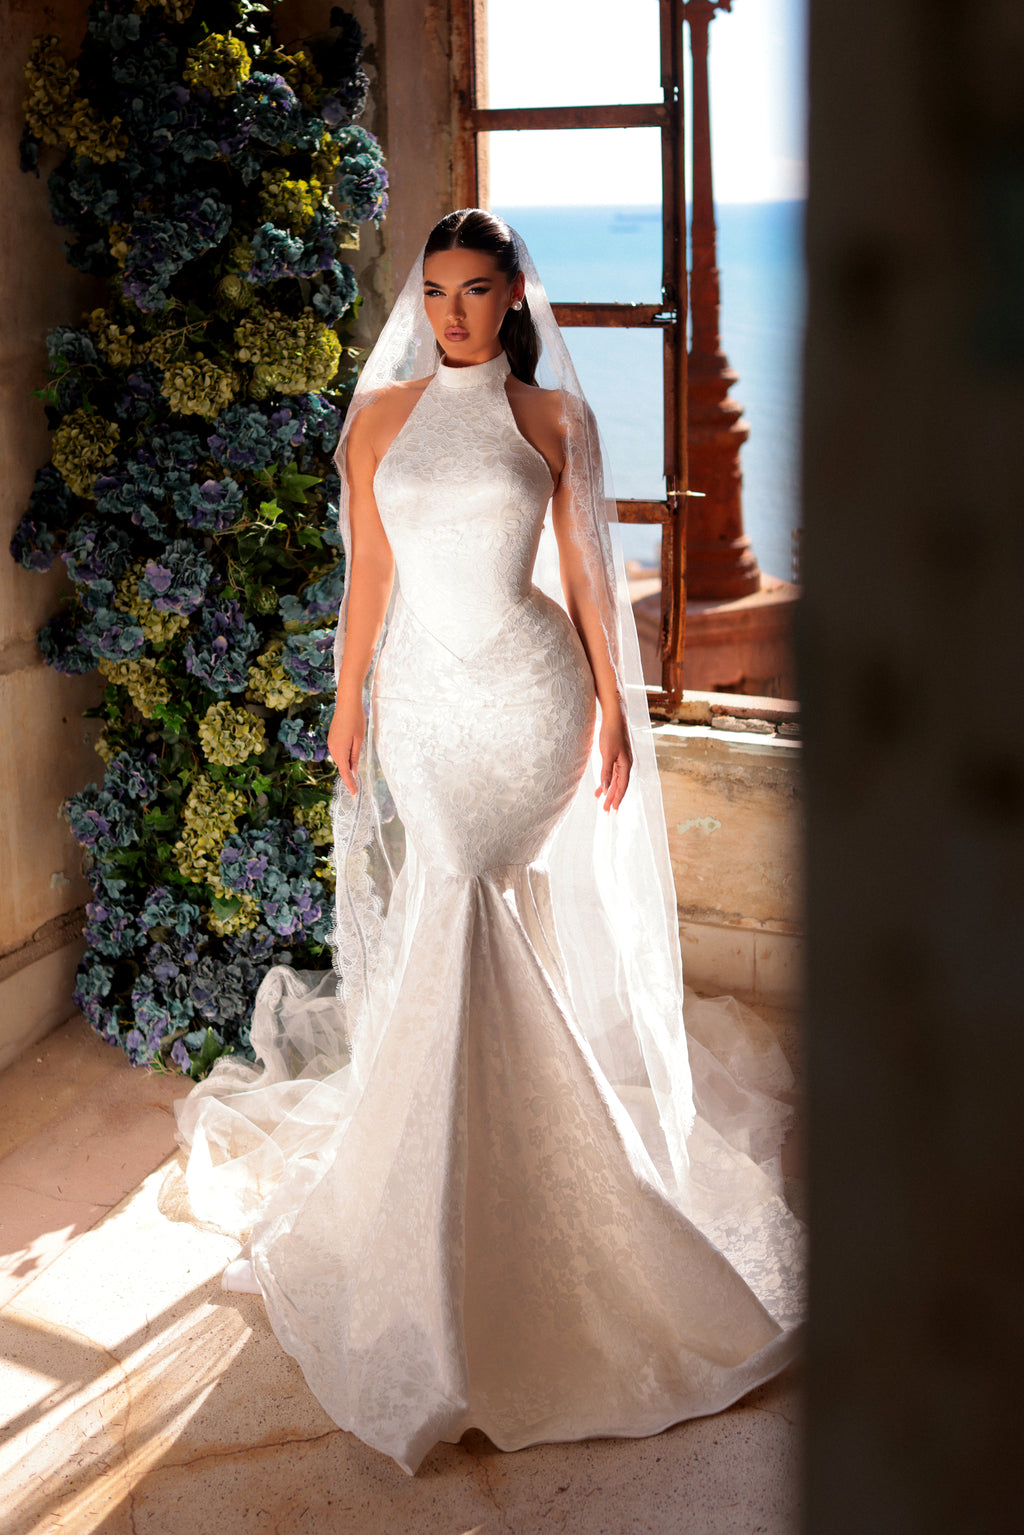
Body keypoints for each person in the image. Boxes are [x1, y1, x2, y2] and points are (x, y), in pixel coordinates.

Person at [165, 209, 804, 1476]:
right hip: (420, 699)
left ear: (515, 296)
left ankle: (531, 1238)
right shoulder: (379, 422)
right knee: (452, 906)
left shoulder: (554, 422)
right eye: (436, 290)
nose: (453, 311)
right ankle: (436, 1214)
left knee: (471, 898)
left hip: (527, 692)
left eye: (476, 290)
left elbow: (581, 576)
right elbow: (368, 583)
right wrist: (347, 698)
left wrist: (616, 712)